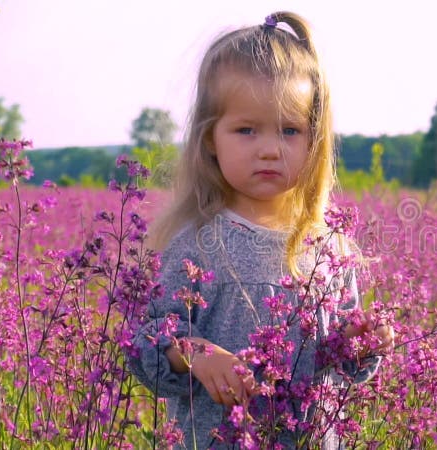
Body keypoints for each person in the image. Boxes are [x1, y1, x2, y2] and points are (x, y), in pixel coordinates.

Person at [128, 11, 394, 449]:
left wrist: (361, 343)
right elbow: (144, 345)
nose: (270, 149)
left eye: (290, 130)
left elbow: (343, 366)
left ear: (315, 141)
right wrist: (194, 351)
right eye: (246, 130)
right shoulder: (197, 244)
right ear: (211, 138)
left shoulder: (330, 248)